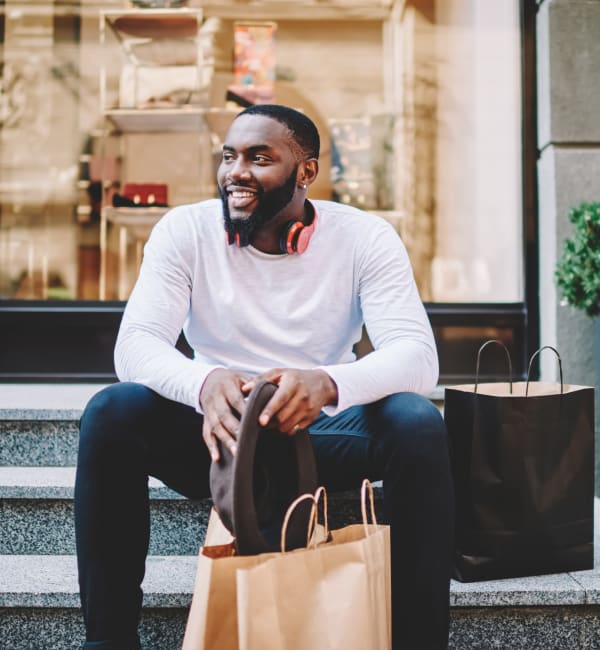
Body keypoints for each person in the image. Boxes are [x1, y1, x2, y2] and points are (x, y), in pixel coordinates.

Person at [75, 104, 454, 650]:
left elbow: (417, 357)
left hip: (321, 437)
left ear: (306, 172)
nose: (236, 172)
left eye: (259, 158)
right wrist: (204, 385)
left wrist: (327, 383)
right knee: (112, 411)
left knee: (416, 422)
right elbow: (135, 346)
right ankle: (108, 642)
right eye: (229, 156)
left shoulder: (365, 237)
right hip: (219, 441)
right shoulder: (184, 231)